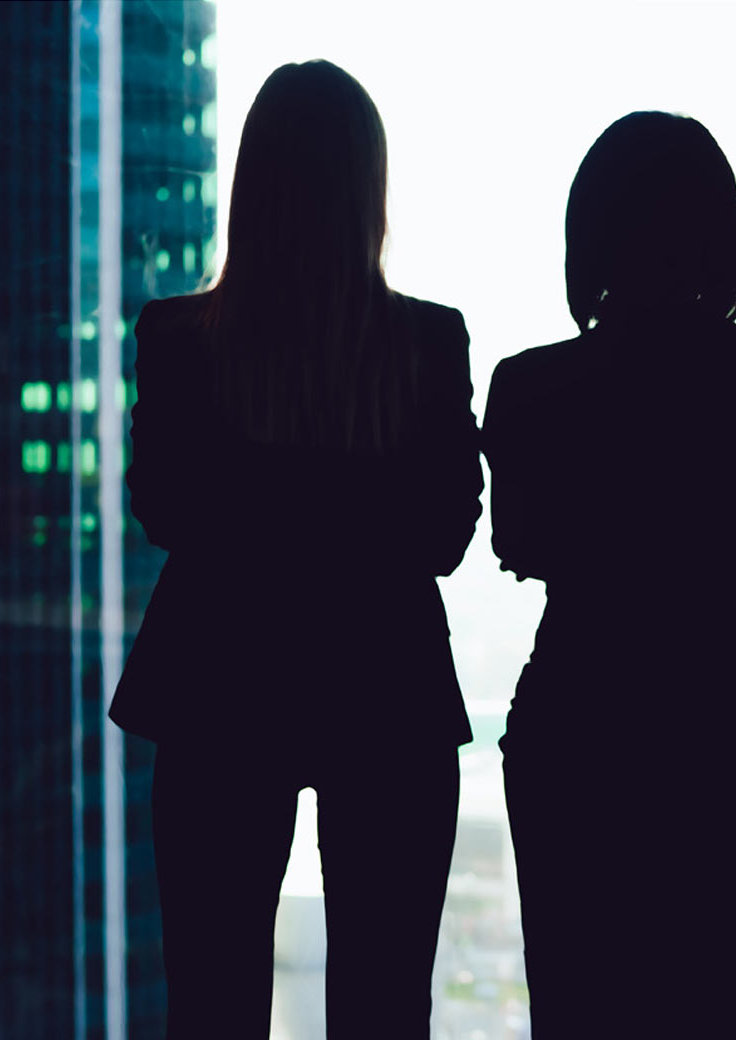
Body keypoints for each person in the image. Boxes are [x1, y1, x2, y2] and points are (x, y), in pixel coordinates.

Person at [108, 60, 482, 1038]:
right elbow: (444, 533)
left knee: (211, 1001)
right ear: (371, 186)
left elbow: (164, 509)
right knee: (386, 1004)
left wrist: (265, 507)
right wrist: (355, 508)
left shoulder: (181, 339)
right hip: (387, 688)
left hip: (219, 686)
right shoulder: (426, 343)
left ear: (252, 183)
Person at [481, 111, 736, 1038]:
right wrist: (725, 561)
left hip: (579, 717)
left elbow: (521, 543)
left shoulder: (526, 388)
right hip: (728, 711)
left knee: (581, 999)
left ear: (590, 233)